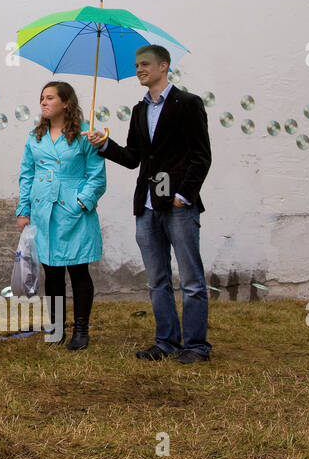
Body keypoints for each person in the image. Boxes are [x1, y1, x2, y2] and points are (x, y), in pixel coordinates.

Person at [87, 45, 213, 364]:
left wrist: (184, 195)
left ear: (163, 66)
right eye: (136, 64)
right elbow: (133, 158)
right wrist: (105, 145)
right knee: (157, 278)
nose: (139, 69)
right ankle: (166, 341)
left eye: (144, 64)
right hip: (146, 206)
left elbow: (201, 156)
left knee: (191, 279)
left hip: (179, 206)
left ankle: (196, 346)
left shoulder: (188, 104)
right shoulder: (139, 110)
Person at [16, 81, 107, 349]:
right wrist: (24, 209)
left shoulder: (84, 136)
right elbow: (27, 174)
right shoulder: (35, 136)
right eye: (42, 97)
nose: (44, 102)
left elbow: (96, 176)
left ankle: (81, 330)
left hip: (74, 213)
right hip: (44, 212)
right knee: (52, 272)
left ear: (66, 103)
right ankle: (56, 329)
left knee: (78, 270)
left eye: (50, 98)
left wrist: (82, 202)